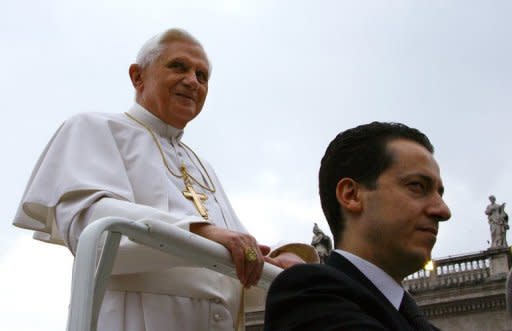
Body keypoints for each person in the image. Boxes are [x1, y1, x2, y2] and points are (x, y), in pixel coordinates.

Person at [13, 28, 317, 331]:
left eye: (202, 75)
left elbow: (237, 253)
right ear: (137, 76)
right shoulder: (94, 127)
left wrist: (277, 262)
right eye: (178, 67)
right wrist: (203, 233)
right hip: (131, 317)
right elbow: (91, 229)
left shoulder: (203, 166)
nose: (192, 81)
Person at [264, 122, 451, 331]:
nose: (443, 211)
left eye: (439, 193)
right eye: (417, 186)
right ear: (351, 195)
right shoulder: (307, 296)